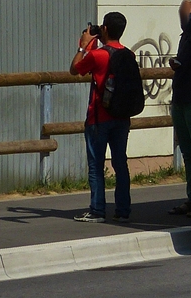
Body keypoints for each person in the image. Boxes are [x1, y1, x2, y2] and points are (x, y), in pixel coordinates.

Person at [70, 12, 131, 223]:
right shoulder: (127, 54)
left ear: (104, 29)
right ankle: (123, 210)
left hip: (99, 117)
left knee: (96, 165)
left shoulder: (98, 55)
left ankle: (97, 210)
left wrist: (83, 45)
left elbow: (74, 69)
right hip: (122, 117)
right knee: (120, 163)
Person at [168, 0, 191, 217]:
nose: (182, 20)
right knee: (188, 151)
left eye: (185, 15)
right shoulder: (184, 37)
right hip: (180, 97)